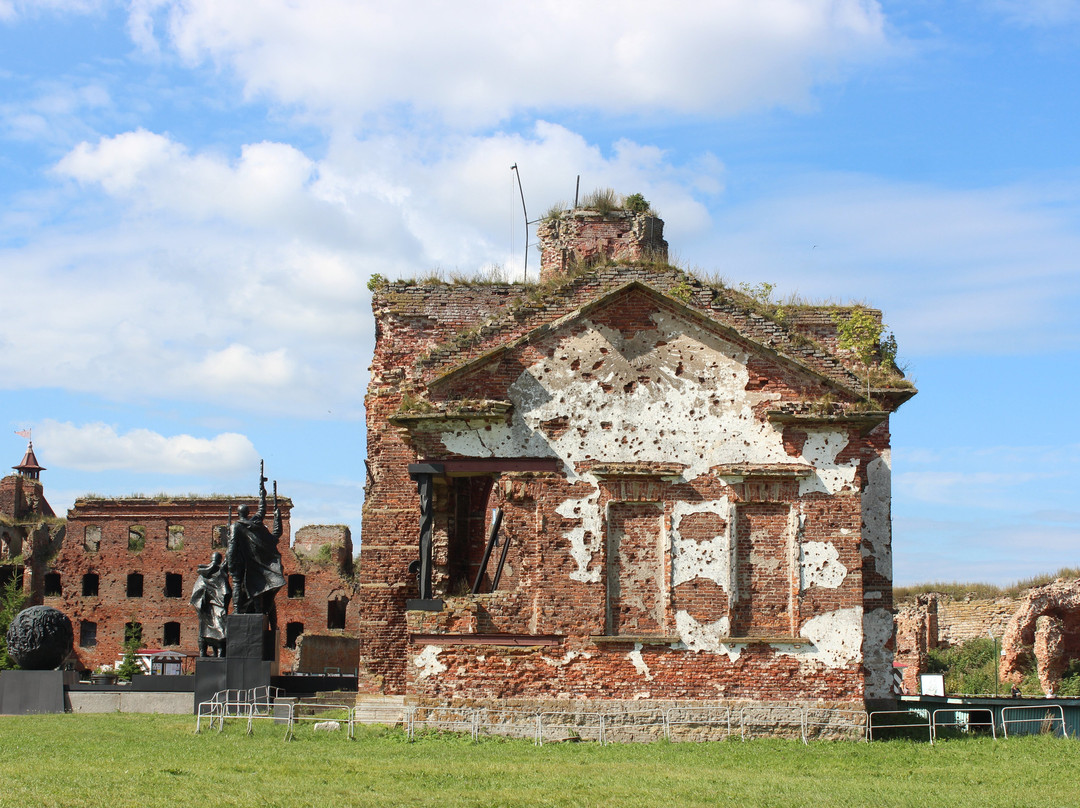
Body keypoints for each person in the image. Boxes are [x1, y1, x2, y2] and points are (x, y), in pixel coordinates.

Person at [227, 463, 285, 615]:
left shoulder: (236, 526)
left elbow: (232, 546)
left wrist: (231, 564)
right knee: (257, 585)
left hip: (241, 563)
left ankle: (237, 611)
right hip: (254, 562)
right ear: (247, 513)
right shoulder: (253, 523)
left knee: (238, 584)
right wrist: (262, 495)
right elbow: (262, 510)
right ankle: (258, 610)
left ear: (238, 513)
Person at [190, 551, 230, 657]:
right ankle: (218, 652)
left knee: (205, 631)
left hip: (207, 609)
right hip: (215, 607)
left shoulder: (203, 575)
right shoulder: (220, 573)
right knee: (220, 630)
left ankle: (204, 653)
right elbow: (226, 592)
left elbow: (196, 594)